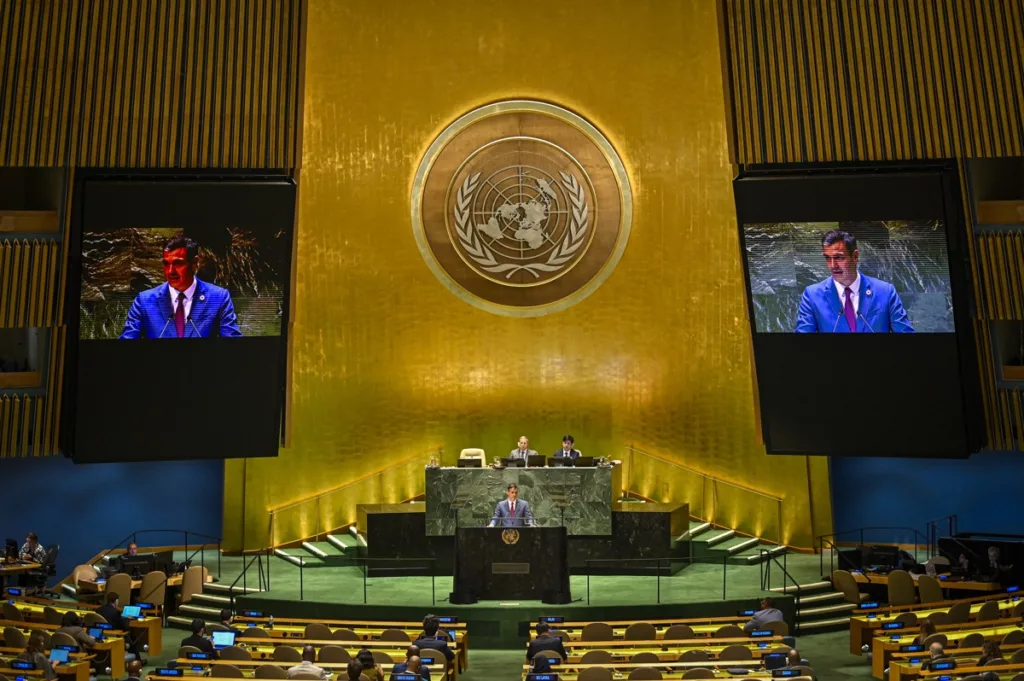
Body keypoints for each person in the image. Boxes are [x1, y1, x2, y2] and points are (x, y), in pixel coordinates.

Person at [120, 235, 241, 339]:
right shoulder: (144, 301)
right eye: (166, 264)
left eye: (178, 263)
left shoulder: (219, 298)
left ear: (194, 263)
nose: (170, 271)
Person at [795, 229, 913, 333]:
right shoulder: (812, 295)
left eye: (839, 258)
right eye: (827, 258)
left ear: (855, 256)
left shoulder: (885, 292)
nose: (832, 265)